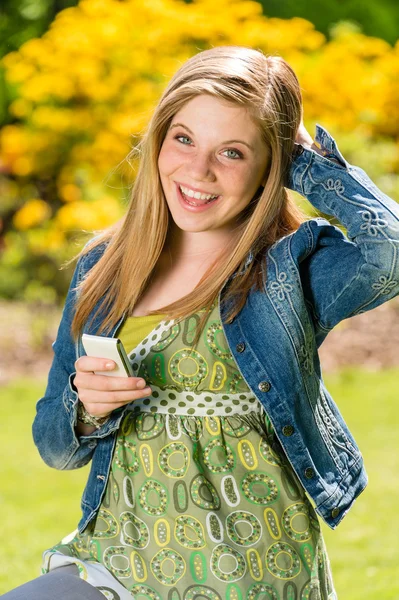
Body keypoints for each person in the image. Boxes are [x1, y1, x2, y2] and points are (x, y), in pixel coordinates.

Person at [4, 45, 399, 600]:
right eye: (183, 138)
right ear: (159, 138)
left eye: (233, 152)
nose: (198, 170)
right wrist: (85, 408)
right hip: (117, 562)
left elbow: (392, 252)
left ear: (271, 165)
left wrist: (306, 162)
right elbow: (55, 446)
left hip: (251, 572)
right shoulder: (106, 268)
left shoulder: (290, 270)